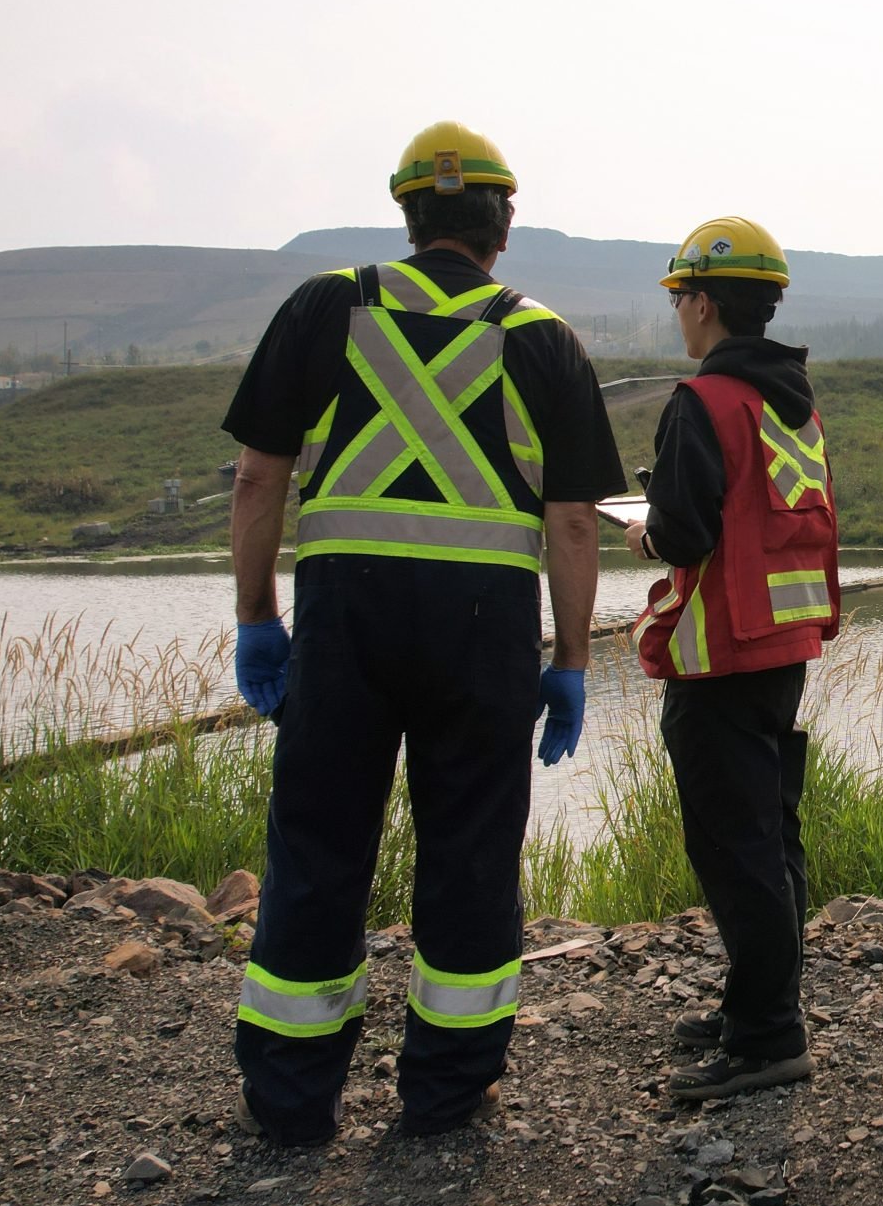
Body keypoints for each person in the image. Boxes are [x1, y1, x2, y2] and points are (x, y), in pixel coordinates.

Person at [222, 120, 622, 1144]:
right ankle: (446, 1094)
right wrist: (571, 661)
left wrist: (259, 618)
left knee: (317, 843)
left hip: (343, 617)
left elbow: (260, 475)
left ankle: (290, 1101)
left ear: (408, 214)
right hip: (483, 626)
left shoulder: (328, 307)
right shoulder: (543, 338)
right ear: (504, 224)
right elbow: (574, 522)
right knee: (471, 852)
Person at [625, 215, 840, 1101]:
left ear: (705, 303)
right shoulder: (794, 400)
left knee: (734, 845)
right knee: (770, 836)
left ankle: (766, 1037)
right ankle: (761, 1002)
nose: (679, 312)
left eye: (681, 297)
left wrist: (643, 535)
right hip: (782, 648)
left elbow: (685, 528)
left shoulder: (703, 402)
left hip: (718, 656)